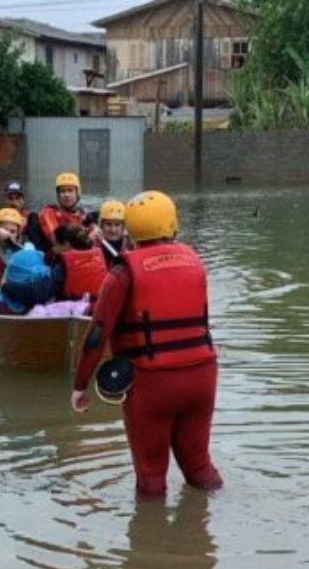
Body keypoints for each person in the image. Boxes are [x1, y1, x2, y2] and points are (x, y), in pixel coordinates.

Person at [70, 191, 223, 498]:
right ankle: (209, 533)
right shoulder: (195, 261)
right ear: (172, 223)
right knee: (199, 467)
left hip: (153, 382)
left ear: (130, 228)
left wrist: (81, 384)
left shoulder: (123, 272)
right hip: (202, 377)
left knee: (151, 478)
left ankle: (149, 543)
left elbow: (98, 333)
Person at [33, 172, 89, 256]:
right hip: (56, 259)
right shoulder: (49, 212)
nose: (66, 195)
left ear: (77, 193)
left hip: (79, 256)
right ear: (58, 195)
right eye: (63, 191)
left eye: (70, 190)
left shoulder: (82, 214)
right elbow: (56, 241)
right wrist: (89, 238)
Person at [0, 244, 54, 315]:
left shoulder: (14, 260)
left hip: (13, 308)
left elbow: (3, 285)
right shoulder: (41, 266)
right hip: (32, 304)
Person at [0, 180, 37, 252]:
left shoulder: (31, 218)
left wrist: (25, 230)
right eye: (10, 198)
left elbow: (37, 245)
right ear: (5, 200)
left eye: (17, 198)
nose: (14, 202)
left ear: (23, 200)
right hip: (0, 258)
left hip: (24, 257)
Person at [92, 199, 129, 267]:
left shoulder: (130, 245)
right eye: (108, 224)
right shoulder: (93, 244)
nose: (113, 230)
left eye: (117, 225)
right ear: (101, 226)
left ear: (123, 226)